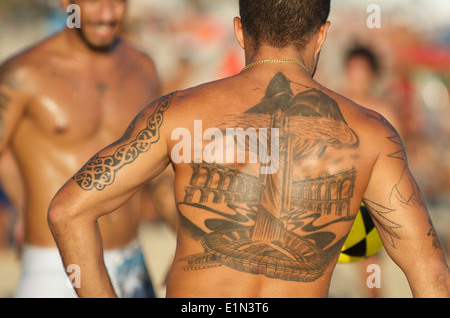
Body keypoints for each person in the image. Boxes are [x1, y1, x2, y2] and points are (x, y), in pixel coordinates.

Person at [48, 0, 449, 298]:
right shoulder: (372, 134)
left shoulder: (178, 113)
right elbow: (432, 276)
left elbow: (67, 211)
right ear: (321, 34)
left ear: (240, 31)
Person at [0, 0, 170, 298]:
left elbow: (158, 170)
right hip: (55, 265)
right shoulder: (22, 73)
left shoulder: (143, 68)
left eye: (116, 1)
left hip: (131, 261)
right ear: (67, 3)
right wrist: (21, 207)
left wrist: (192, 239)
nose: (106, 14)